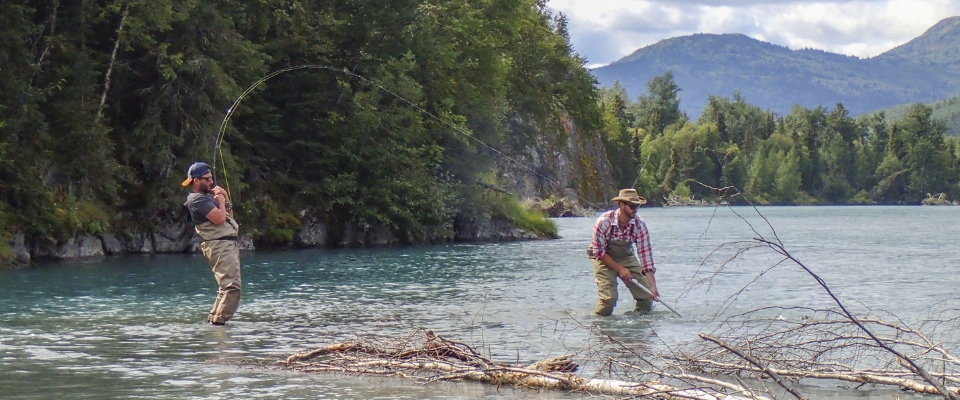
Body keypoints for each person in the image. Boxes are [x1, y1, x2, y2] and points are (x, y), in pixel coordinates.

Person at [182, 161, 241, 325]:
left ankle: (213, 323)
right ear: (196, 181)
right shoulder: (196, 200)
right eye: (207, 179)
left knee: (225, 288)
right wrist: (220, 201)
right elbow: (220, 219)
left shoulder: (206, 198)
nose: (211, 182)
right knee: (232, 287)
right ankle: (219, 324)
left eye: (211, 178)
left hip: (226, 245)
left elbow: (229, 217)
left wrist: (225, 197)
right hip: (219, 246)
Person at [587, 188, 659, 316]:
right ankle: (598, 326)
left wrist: (653, 287)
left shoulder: (639, 225)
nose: (635, 209)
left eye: (637, 206)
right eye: (631, 206)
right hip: (602, 258)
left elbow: (646, 256)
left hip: (626, 257)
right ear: (621, 205)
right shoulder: (603, 222)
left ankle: (634, 325)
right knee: (608, 300)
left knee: (647, 296)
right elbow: (599, 252)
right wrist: (620, 269)